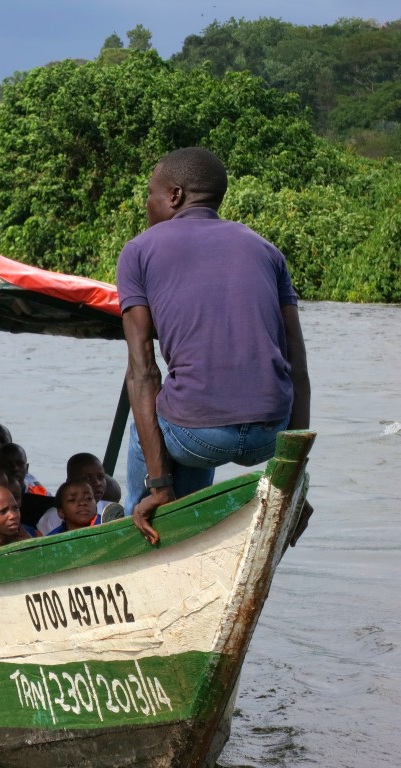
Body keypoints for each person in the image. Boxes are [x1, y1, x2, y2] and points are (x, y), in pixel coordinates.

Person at [117, 147, 312, 546]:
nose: (147, 206)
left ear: (173, 196)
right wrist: (291, 477)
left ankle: (141, 529)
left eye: (150, 195)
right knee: (184, 404)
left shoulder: (138, 251)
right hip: (269, 434)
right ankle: (189, 520)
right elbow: (298, 365)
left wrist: (158, 484)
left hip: (196, 437)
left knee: (147, 415)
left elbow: (143, 370)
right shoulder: (266, 248)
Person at [66, 452, 123, 518]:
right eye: (87, 478)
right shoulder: (58, 516)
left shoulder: (110, 513)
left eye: (101, 477)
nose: (97, 483)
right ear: (70, 483)